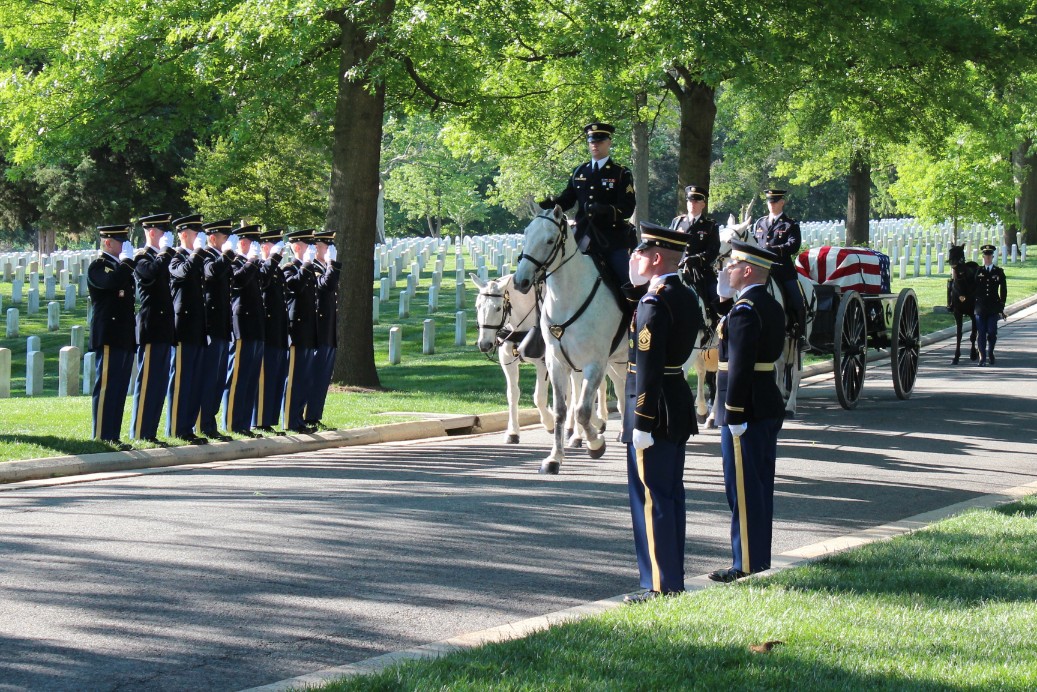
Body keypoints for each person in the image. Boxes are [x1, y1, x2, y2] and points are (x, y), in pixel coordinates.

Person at [621, 222, 703, 604]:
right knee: (670, 494)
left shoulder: (653, 303)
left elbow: (649, 366)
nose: (633, 259)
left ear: (656, 258)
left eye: (639, 253)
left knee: (651, 497)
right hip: (675, 401)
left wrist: (641, 420)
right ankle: (671, 578)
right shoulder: (683, 295)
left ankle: (658, 584)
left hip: (653, 408)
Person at [709, 240, 786, 583]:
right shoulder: (766, 304)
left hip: (746, 410)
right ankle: (757, 559)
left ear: (750, 270)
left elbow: (738, 367)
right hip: (765, 402)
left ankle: (746, 565)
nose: (728, 269)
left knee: (741, 489)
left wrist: (733, 413)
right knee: (758, 487)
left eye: (734, 264)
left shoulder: (745, 310)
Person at [538, 122, 637, 288]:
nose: (595, 144)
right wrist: (549, 204)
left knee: (628, 282)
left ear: (609, 142)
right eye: (592, 141)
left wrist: (606, 210)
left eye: (600, 141)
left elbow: (627, 208)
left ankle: (635, 313)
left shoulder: (620, 173)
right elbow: (567, 200)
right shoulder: (580, 171)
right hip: (581, 236)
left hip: (611, 239)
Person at [86, 224, 137, 450]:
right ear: (108, 242)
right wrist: (126, 263)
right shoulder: (99, 266)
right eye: (120, 241)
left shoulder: (118, 266)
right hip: (108, 334)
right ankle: (101, 435)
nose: (124, 245)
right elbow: (111, 284)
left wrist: (125, 264)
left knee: (119, 387)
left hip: (124, 334)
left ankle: (113, 435)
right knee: (107, 385)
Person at [128, 213, 176, 445]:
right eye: (164, 232)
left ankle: (150, 432)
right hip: (150, 326)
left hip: (165, 327)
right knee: (147, 383)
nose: (168, 236)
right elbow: (150, 274)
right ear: (152, 232)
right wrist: (165, 252)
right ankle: (139, 431)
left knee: (158, 384)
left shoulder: (163, 256)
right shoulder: (141, 256)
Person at [167, 213, 209, 444]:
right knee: (182, 381)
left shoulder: (196, 258)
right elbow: (181, 274)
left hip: (197, 329)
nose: (200, 237)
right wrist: (196, 253)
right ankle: (176, 427)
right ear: (184, 234)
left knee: (195, 381)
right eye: (197, 233)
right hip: (183, 328)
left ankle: (188, 427)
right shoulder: (176, 258)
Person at [222, 224, 266, 436]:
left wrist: (262, 261)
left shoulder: (254, 263)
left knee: (250, 377)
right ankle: (231, 421)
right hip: (241, 325)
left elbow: (267, 283)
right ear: (241, 243)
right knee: (237, 377)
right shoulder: (235, 262)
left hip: (256, 325)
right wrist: (250, 261)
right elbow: (237, 281)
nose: (255, 246)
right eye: (252, 242)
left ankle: (244, 423)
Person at [196, 218, 236, 441]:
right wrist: (228, 255)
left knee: (219, 378)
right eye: (224, 237)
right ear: (213, 238)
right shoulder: (207, 257)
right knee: (209, 377)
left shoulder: (221, 258)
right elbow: (211, 272)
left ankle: (210, 422)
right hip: (210, 325)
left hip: (221, 326)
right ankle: (203, 422)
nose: (227, 241)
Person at [752, 188, 805, 343]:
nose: (772, 205)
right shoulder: (760, 223)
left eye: (775, 202)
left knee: (796, 298)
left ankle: (800, 332)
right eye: (769, 202)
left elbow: (794, 245)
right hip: (761, 268)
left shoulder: (790, 224)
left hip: (782, 269)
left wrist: (773, 249)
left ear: (782, 202)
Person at [304, 230, 342, 430]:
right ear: (315, 247)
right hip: (318, 329)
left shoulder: (325, 267)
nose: (328, 251)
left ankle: (314, 415)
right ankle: (305, 414)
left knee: (323, 377)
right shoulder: (312, 268)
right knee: (313, 374)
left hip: (327, 329)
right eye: (325, 246)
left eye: (330, 247)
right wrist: (331, 265)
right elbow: (325, 286)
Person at [282, 229, 319, 433]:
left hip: (307, 330)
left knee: (304, 378)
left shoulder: (307, 269)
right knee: (294, 378)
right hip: (295, 330)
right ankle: (290, 420)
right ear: (297, 247)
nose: (312, 249)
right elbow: (293, 286)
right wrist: (306, 264)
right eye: (308, 245)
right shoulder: (289, 268)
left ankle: (298, 418)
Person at [254, 228, 289, 435]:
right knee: (263, 377)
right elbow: (262, 281)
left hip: (277, 330)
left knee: (275, 377)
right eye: (273, 245)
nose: (279, 251)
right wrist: (272, 258)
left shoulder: (274, 269)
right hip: (265, 329)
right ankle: (258, 419)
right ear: (264, 246)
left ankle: (268, 419)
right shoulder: (261, 267)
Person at [670, 184, 721, 318]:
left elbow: (713, 250)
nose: (693, 204)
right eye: (690, 200)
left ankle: (716, 326)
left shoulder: (710, 225)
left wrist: (696, 259)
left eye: (697, 201)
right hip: (676, 268)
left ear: (703, 204)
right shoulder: (677, 222)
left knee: (716, 296)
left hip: (700, 271)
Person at [974, 244, 1007, 366]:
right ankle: (982, 357)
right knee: (981, 332)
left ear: (992, 257)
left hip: (993, 307)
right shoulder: (979, 271)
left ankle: (990, 352)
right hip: (980, 308)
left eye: (989, 256)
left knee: (992, 331)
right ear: (983, 257)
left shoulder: (998, 272)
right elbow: (973, 287)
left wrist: (1001, 305)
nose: (987, 259)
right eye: (985, 256)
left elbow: (1003, 289)